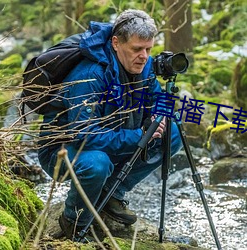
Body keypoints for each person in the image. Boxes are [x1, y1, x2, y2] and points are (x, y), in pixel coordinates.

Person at [38, 9, 182, 241]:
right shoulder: (89, 75)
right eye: (137, 49)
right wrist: (139, 135)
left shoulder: (143, 66)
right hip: (63, 150)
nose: (144, 56)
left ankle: (112, 193)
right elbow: (84, 136)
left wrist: (160, 116)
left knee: (172, 132)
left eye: (148, 49)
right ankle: (73, 221)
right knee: (97, 164)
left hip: (113, 136)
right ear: (116, 43)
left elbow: (158, 99)